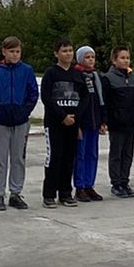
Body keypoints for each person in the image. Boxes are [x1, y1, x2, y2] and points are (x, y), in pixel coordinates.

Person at [0, 36, 38, 212]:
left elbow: (33, 93)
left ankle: (15, 193)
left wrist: (25, 110)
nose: (15, 55)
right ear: (4, 52)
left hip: (21, 121)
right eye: (11, 51)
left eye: (17, 51)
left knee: (18, 158)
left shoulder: (27, 70)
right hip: (1, 121)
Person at [42, 38, 90, 208]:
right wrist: (62, 116)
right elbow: (46, 97)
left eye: (70, 50)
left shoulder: (78, 75)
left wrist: (76, 117)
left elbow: (85, 98)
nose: (68, 54)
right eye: (64, 51)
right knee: (55, 157)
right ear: (56, 54)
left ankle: (65, 193)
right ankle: (49, 194)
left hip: (73, 123)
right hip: (55, 123)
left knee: (69, 158)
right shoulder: (50, 73)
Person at [103, 47, 134, 197]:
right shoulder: (108, 78)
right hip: (116, 123)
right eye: (122, 58)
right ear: (114, 60)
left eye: (127, 58)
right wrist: (106, 121)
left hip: (131, 122)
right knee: (116, 154)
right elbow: (106, 102)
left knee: (128, 154)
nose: (126, 61)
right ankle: (116, 183)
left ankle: (125, 181)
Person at [72, 45, 108, 202]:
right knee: (79, 155)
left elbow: (102, 100)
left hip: (95, 121)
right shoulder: (76, 76)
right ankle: (79, 186)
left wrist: (103, 121)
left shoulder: (96, 76)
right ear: (80, 59)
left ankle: (89, 185)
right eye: (87, 57)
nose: (91, 60)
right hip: (82, 122)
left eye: (92, 57)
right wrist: (77, 124)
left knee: (92, 155)